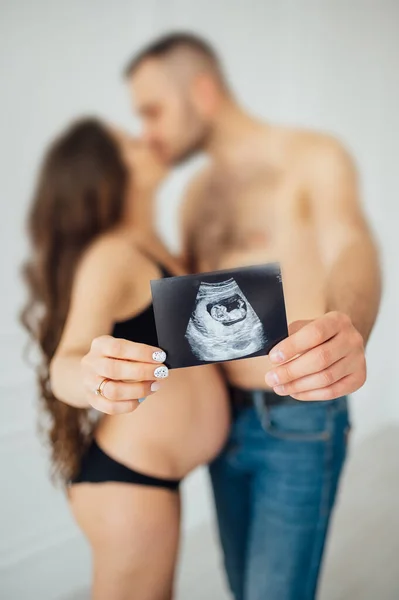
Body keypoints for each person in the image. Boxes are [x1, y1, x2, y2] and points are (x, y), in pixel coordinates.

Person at [124, 33, 382, 600]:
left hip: (295, 421)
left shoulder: (310, 156)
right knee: (242, 587)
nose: (147, 134)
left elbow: (351, 244)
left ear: (202, 91)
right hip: (222, 425)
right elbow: (184, 315)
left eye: (152, 111)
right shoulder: (193, 194)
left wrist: (349, 325)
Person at [21, 118, 230, 600]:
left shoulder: (158, 246)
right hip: (129, 485)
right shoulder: (113, 256)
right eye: (132, 144)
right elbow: (67, 363)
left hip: (148, 480)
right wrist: (88, 376)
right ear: (104, 177)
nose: (149, 139)